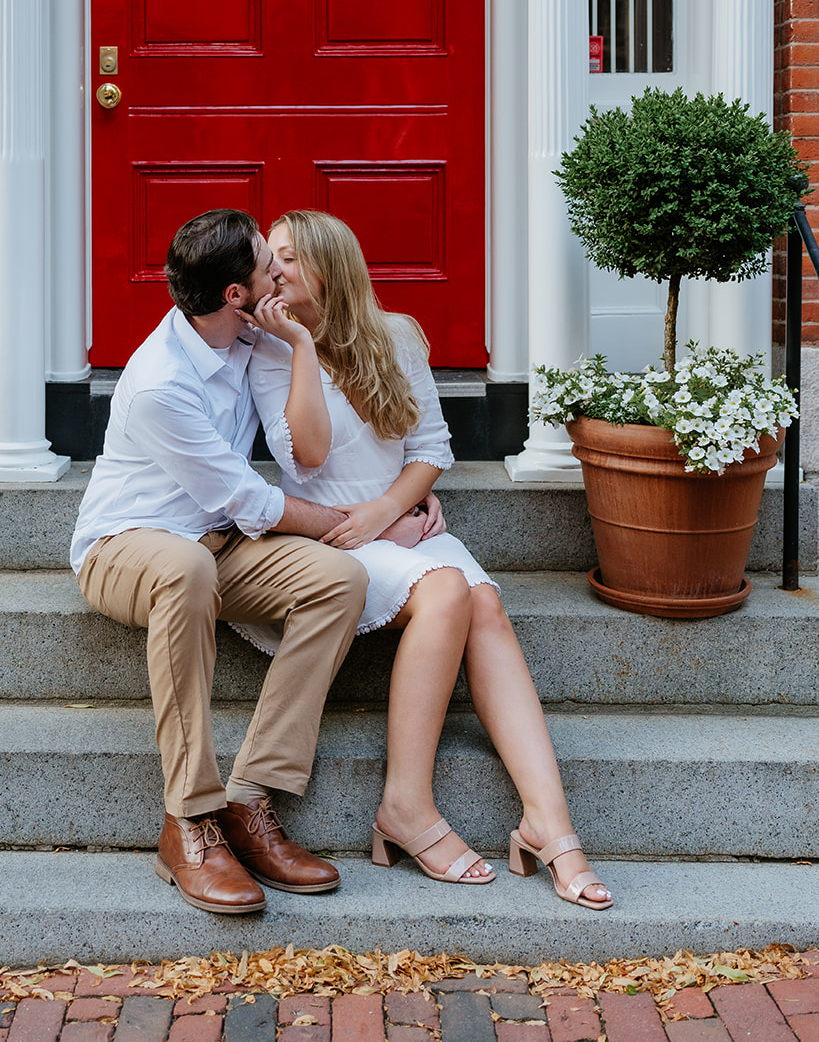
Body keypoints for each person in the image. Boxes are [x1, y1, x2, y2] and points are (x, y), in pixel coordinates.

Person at [235, 209, 613, 910]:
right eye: (268, 258)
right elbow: (304, 457)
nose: (271, 270)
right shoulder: (266, 348)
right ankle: (406, 806)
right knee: (447, 591)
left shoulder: (397, 335)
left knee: (484, 603)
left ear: (328, 265)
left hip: (391, 523)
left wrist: (390, 511)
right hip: (330, 537)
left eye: (285, 256)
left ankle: (548, 826)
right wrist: (299, 348)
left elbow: (430, 447)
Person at [71, 208, 398, 916]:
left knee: (340, 579)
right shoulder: (162, 380)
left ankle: (249, 798)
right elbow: (250, 500)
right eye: (264, 264)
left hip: (216, 545)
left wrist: (402, 498)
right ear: (233, 295)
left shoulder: (252, 337)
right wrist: (361, 522)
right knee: (183, 568)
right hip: (126, 547)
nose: (276, 270)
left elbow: (330, 430)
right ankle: (188, 818)